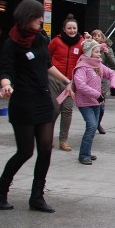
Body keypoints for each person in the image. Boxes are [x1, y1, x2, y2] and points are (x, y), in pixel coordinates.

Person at [0, 0, 71, 212]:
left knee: (45, 149)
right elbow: (6, 69)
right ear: (27, 18)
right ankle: (0, 189)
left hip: (43, 100)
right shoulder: (11, 43)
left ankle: (37, 197)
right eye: (37, 16)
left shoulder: (40, 39)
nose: (41, 20)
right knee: (25, 151)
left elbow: (47, 65)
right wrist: (6, 85)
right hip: (23, 102)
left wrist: (66, 81)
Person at [72, 39, 115, 165]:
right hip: (85, 103)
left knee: (92, 127)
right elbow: (80, 84)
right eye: (96, 52)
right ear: (88, 52)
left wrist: (113, 86)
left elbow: (112, 73)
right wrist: (97, 94)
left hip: (97, 102)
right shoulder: (82, 67)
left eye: (99, 51)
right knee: (92, 126)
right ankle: (83, 155)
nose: (99, 54)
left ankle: (86, 151)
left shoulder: (98, 64)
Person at [49, 15, 83, 152]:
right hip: (54, 80)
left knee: (67, 110)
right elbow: (46, 58)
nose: (72, 30)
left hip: (70, 82)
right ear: (64, 29)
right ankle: (47, 136)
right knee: (55, 109)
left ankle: (63, 140)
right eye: (69, 28)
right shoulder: (56, 41)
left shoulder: (82, 43)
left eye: (74, 28)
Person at [90, 30, 115, 134]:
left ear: (103, 38)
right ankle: (92, 123)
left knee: (101, 105)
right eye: (94, 36)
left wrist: (107, 54)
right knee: (91, 103)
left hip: (102, 81)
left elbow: (113, 64)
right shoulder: (89, 49)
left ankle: (97, 123)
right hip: (91, 78)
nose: (96, 38)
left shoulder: (107, 49)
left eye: (99, 36)